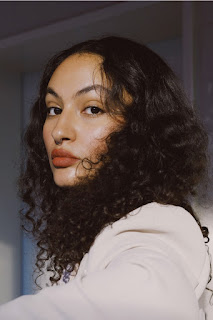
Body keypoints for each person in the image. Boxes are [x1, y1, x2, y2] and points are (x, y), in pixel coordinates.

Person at [0, 36, 211, 319]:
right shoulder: (104, 232)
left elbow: (151, 297)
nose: (59, 130)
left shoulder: (153, 229)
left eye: (93, 109)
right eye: (54, 109)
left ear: (142, 129)